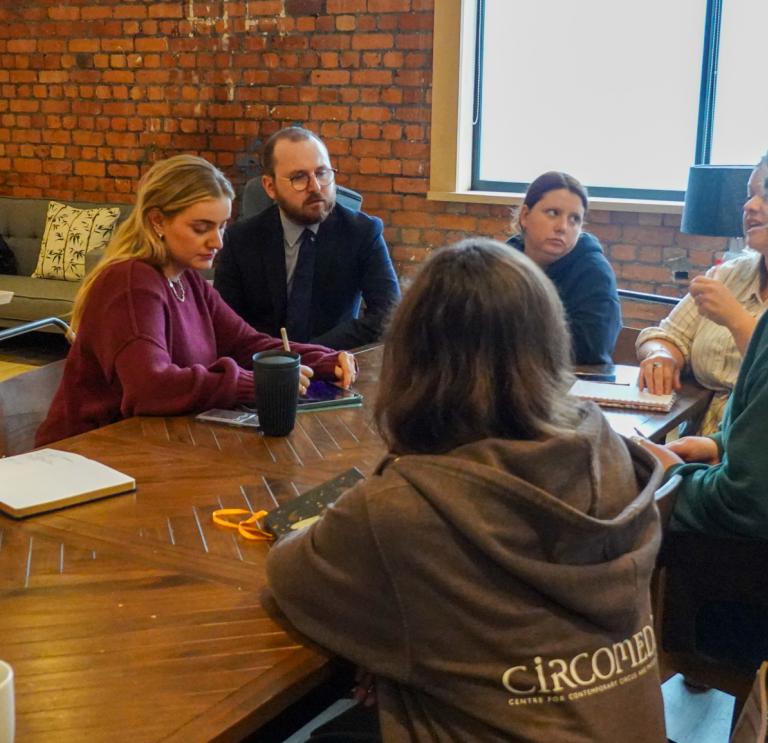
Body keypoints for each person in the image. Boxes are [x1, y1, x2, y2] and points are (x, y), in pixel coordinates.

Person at [266, 239, 667, 742]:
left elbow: (290, 576)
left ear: (411, 355)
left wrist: (387, 643)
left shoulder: (402, 508)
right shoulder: (607, 449)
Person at [36, 155, 355, 447]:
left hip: (149, 446)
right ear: (157, 221)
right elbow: (149, 388)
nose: (217, 241)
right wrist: (251, 383)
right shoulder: (131, 282)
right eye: (201, 227)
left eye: (221, 226)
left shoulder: (185, 278)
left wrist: (323, 361)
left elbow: (246, 343)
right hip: (86, 459)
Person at [214, 126, 401, 350]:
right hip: (262, 368)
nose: (315, 187)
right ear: (270, 187)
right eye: (299, 177)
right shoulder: (240, 240)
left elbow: (388, 316)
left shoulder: (362, 232)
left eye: (322, 173)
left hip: (334, 363)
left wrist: (311, 355)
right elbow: (225, 324)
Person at [636, 152, 768, 435]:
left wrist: (735, 319)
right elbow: (667, 335)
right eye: (748, 196)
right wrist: (661, 356)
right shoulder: (729, 274)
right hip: (697, 442)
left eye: (765, 196)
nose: (750, 206)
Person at [507, 171, 621, 364]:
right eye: (553, 213)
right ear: (525, 216)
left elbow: (589, 349)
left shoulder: (594, 273)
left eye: (574, 219)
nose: (562, 227)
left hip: (573, 383)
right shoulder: (502, 263)